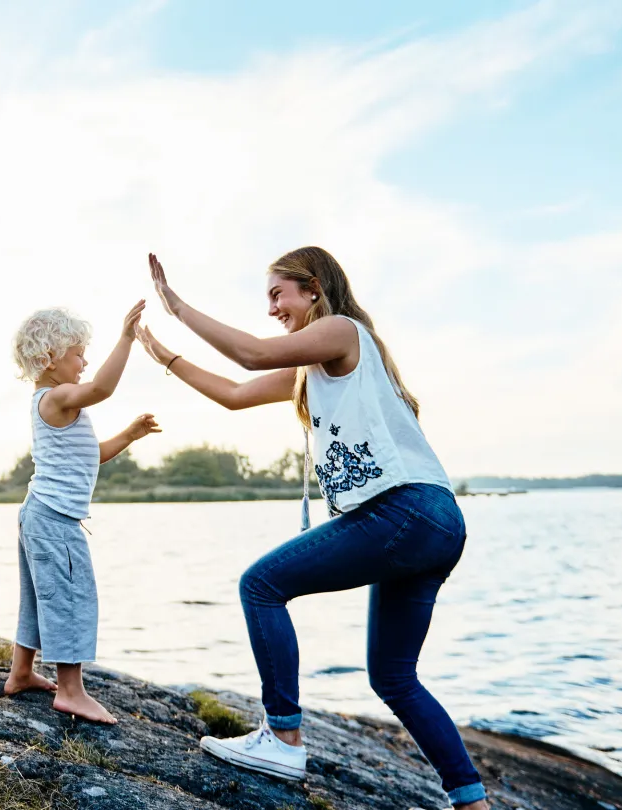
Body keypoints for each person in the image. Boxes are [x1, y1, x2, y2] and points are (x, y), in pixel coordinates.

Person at [136, 248, 489, 808]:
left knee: (261, 585)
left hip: (403, 511)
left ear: (314, 288)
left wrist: (175, 305)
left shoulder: (341, 332)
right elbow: (234, 395)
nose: (273, 308)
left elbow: (250, 355)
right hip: (435, 521)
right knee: (394, 678)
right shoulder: (315, 366)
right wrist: (162, 354)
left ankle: (282, 735)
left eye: (278, 294)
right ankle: (472, 800)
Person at [4, 302, 161, 724]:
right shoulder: (57, 397)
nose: (85, 361)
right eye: (77, 353)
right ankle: (71, 691)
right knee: (70, 600)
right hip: (54, 521)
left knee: (39, 600)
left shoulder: (60, 404)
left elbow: (91, 457)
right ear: (48, 359)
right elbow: (102, 388)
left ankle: (21, 672)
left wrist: (129, 434)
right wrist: (126, 338)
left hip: (38, 515)